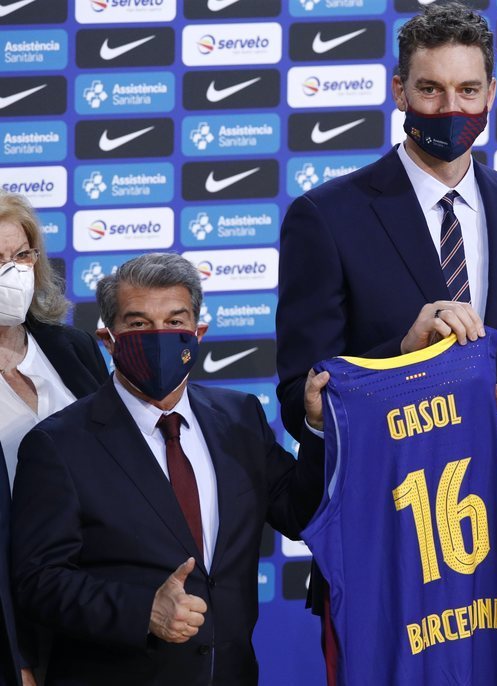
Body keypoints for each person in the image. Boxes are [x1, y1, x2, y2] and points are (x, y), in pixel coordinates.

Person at [275, 2, 497, 672]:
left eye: (467, 90)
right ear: (399, 91)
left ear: (491, 93)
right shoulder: (327, 216)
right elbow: (298, 396)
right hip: (380, 547)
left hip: (487, 554)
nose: (449, 107)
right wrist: (398, 359)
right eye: (429, 89)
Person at [11, 253, 328, 686]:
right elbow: (38, 582)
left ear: (198, 333)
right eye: (138, 325)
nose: (159, 336)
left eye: (175, 322)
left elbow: (298, 513)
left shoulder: (239, 418)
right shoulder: (58, 444)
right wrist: (143, 611)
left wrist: (317, 430)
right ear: (109, 339)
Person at [0, 192, 109, 686]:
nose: (13, 272)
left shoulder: (73, 347)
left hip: (94, 606)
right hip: (10, 610)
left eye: (21, 256)